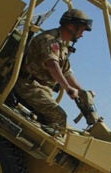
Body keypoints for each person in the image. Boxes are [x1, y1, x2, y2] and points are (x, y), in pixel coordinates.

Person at [14, 8, 93, 136]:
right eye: (82, 30)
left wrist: (82, 92)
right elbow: (52, 65)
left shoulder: (62, 45)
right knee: (59, 116)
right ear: (72, 27)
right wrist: (68, 89)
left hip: (42, 88)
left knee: (65, 127)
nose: (82, 34)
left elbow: (66, 72)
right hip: (29, 85)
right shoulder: (49, 40)